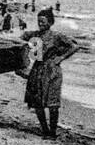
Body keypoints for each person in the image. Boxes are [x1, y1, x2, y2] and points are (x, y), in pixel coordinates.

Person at [21, 8, 78, 137]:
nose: (40, 24)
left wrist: (61, 58)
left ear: (50, 22)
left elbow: (74, 46)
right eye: (38, 21)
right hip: (37, 70)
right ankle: (44, 129)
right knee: (37, 102)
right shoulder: (35, 35)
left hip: (52, 71)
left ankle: (52, 132)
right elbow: (22, 40)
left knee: (53, 103)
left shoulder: (57, 36)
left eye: (43, 21)